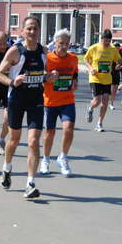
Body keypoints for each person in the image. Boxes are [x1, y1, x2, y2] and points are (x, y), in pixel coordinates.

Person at [0, 16, 58, 199]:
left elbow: (44, 74)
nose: (32, 32)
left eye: (35, 29)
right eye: (28, 28)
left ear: (39, 31)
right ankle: (6, 168)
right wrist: (13, 82)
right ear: (22, 30)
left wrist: (49, 77)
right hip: (16, 100)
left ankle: (30, 183)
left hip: (36, 101)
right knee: (14, 140)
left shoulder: (44, 50)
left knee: (33, 142)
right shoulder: (15, 51)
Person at [40, 29, 79, 176]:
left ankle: (63, 157)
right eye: (61, 43)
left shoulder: (73, 58)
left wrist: (75, 80)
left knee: (68, 130)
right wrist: (48, 76)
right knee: (49, 133)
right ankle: (46, 159)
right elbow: (41, 74)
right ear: (54, 43)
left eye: (66, 44)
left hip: (67, 100)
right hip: (50, 102)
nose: (63, 46)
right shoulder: (47, 58)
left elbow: (74, 72)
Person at [83, 29, 122, 132]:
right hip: (95, 78)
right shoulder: (94, 48)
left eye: (109, 41)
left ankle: (99, 123)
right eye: (105, 40)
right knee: (97, 101)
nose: (107, 43)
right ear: (101, 40)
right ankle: (90, 108)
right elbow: (85, 59)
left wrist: (119, 65)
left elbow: (119, 59)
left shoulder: (113, 49)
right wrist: (91, 68)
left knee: (105, 102)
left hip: (107, 79)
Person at [108, 43, 121, 110]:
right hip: (110, 74)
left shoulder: (119, 56)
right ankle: (108, 101)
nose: (117, 50)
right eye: (116, 48)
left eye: (118, 48)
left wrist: (120, 66)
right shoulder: (110, 54)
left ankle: (111, 103)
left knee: (115, 90)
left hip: (117, 74)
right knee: (112, 90)